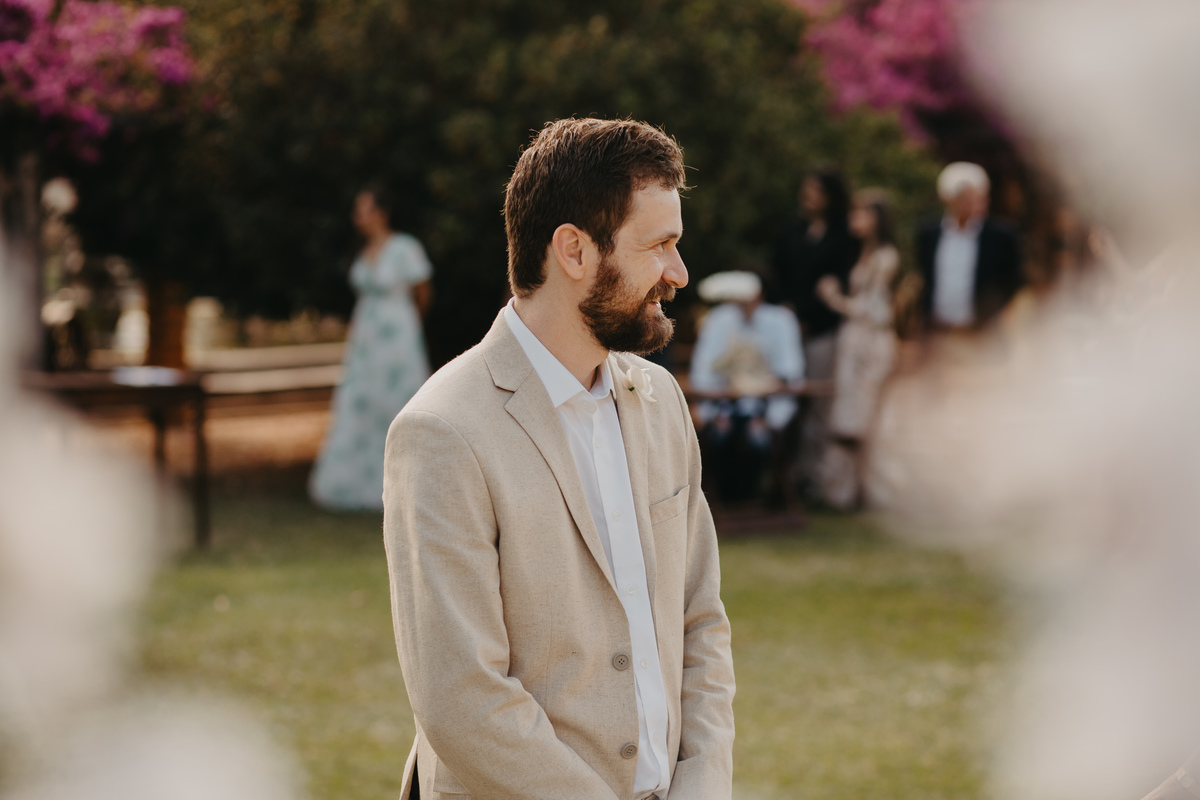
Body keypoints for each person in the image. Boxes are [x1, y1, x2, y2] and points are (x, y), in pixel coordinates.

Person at [382, 118, 735, 800]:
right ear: (573, 250)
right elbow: (462, 698)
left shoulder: (661, 401)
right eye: (658, 246)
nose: (678, 273)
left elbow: (701, 621)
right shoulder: (442, 431)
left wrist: (702, 784)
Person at [309, 184, 433, 511]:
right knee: (361, 402)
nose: (357, 217)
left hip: (397, 337)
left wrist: (408, 325)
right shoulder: (362, 250)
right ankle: (359, 484)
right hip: (366, 339)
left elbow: (423, 290)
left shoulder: (405, 247)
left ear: (381, 212)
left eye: (363, 209)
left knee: (397, 401)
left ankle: (409, 484)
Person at [771, 167, 859, 492]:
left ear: (831, 196)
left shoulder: (844, 235)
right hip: (788, 330)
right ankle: (785, 476)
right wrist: (786, 312)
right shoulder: (793, 230)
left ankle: (815, 478)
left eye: (816, 191)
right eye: (806, 190)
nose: (808, 197)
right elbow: (777, 273)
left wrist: (808, 317)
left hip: (823, 331)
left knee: (818, 407)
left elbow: (840, 284)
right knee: (787, 403)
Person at [816, 189, 900, 509]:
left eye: (861, 213)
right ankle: (843, 490)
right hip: (854, 341)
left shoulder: (885, 258)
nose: (854, 219)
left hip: (870, 343)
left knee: (866, 416)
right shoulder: (861, 252)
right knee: (848, 414)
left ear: (876, 218)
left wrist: (833, 298)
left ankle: (873, 491)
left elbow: (873, 311)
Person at [689, 270, 805, 504]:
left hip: (764, 406)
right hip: (723, 406)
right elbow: (703, 371)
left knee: (757, 441)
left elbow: (790, 372)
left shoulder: (781, 321)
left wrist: (771, 419)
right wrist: (711, 412)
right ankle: (726, 502)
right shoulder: (718, 320)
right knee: (718, 439)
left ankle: (747, 500)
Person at [916, 162, 1024, 333]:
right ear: (950, 200)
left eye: (979, 197)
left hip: (981, 332)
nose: (976, 203)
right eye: (967, 198)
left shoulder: (1001, 236)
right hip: (938, 330)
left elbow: (1012, 281)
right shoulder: (929, 234)